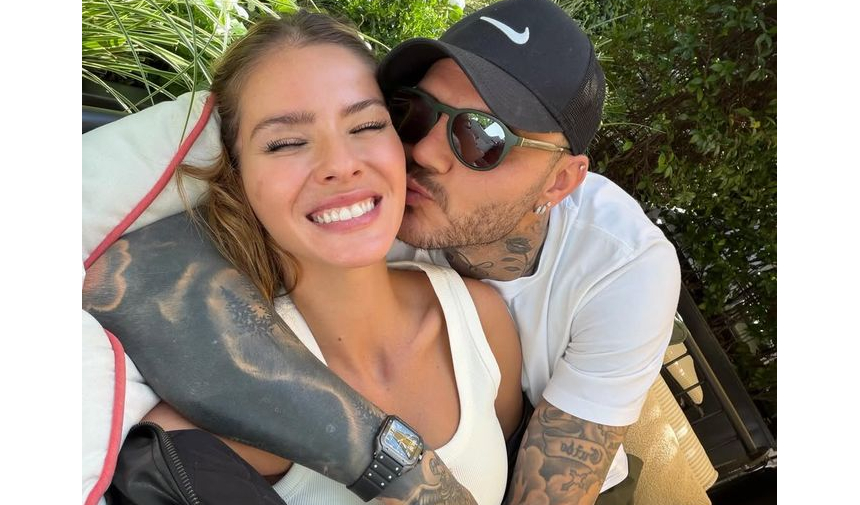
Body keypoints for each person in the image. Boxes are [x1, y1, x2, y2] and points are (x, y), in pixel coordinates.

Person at [83, 1, 681, 504]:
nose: (424, 151)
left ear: (559, 183)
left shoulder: (618, 270)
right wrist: (402, 469)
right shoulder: (370, 208)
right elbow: (127, 273)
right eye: (411, 113)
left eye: (483, 137)